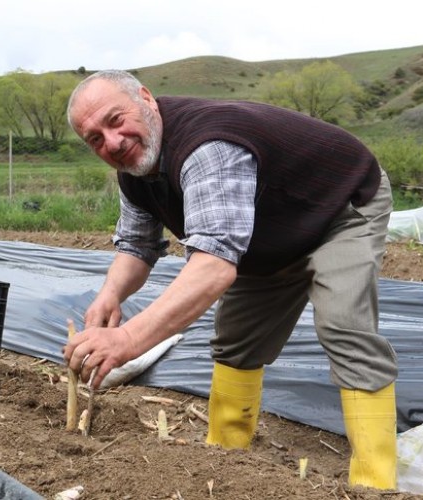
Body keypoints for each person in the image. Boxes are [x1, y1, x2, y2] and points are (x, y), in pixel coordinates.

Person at [62, 69, 398, 490]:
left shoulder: (208, 146)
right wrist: (110, 295)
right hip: (268, 229)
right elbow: (136, 245)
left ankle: (375, 484)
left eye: (115, 120)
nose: (112, 142)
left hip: (337, 208)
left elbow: (214, 266)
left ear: (146, 99)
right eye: (95, 139)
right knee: (236, 341)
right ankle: (223, 464)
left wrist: (128, 341)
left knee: (344, 326)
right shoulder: (134, 170)